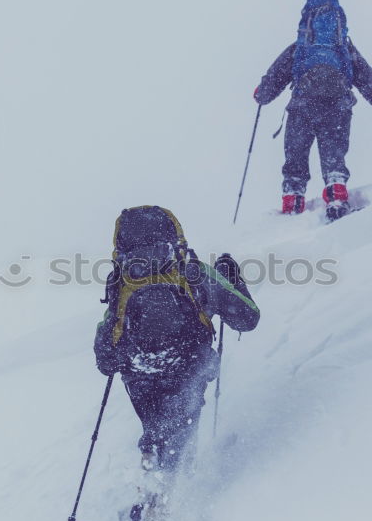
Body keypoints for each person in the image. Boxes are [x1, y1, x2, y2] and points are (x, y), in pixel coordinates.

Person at [93, 206, 259, 496]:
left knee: (157, 428)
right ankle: (175, 510)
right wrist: (232, 279)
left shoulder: (123, 280)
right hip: (190, 363)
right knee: (181, 432)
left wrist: (122, 359)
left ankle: (152, 484)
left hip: (140, 370)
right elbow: (248, 318)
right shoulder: (194, 272)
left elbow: (105, 356)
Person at [254, 0, 372, 222]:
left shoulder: (300, 48)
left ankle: (293, 200)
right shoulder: (344, 49)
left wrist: (262, 94)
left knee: (296, 157)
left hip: (302, 107)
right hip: (337, 108)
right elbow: (367, 79)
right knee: (334, 156)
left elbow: (275, 75)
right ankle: (336, 194)